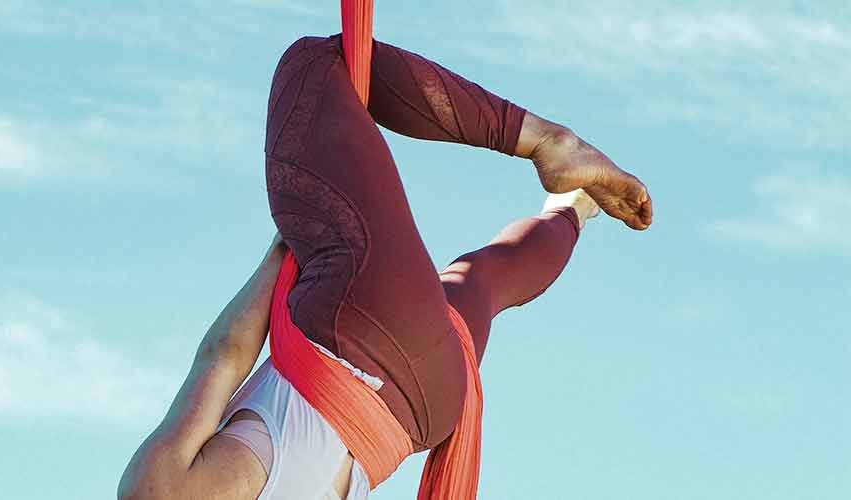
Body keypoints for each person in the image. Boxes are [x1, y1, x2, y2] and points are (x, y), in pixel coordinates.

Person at [118, 33, 651, 500]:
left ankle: (574, 209)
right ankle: (547, 142)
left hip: (424, 413)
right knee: (315, 66)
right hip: (357, 338)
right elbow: (224, 356)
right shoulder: (158, 493)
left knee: (483, 285)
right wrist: (286, 249)